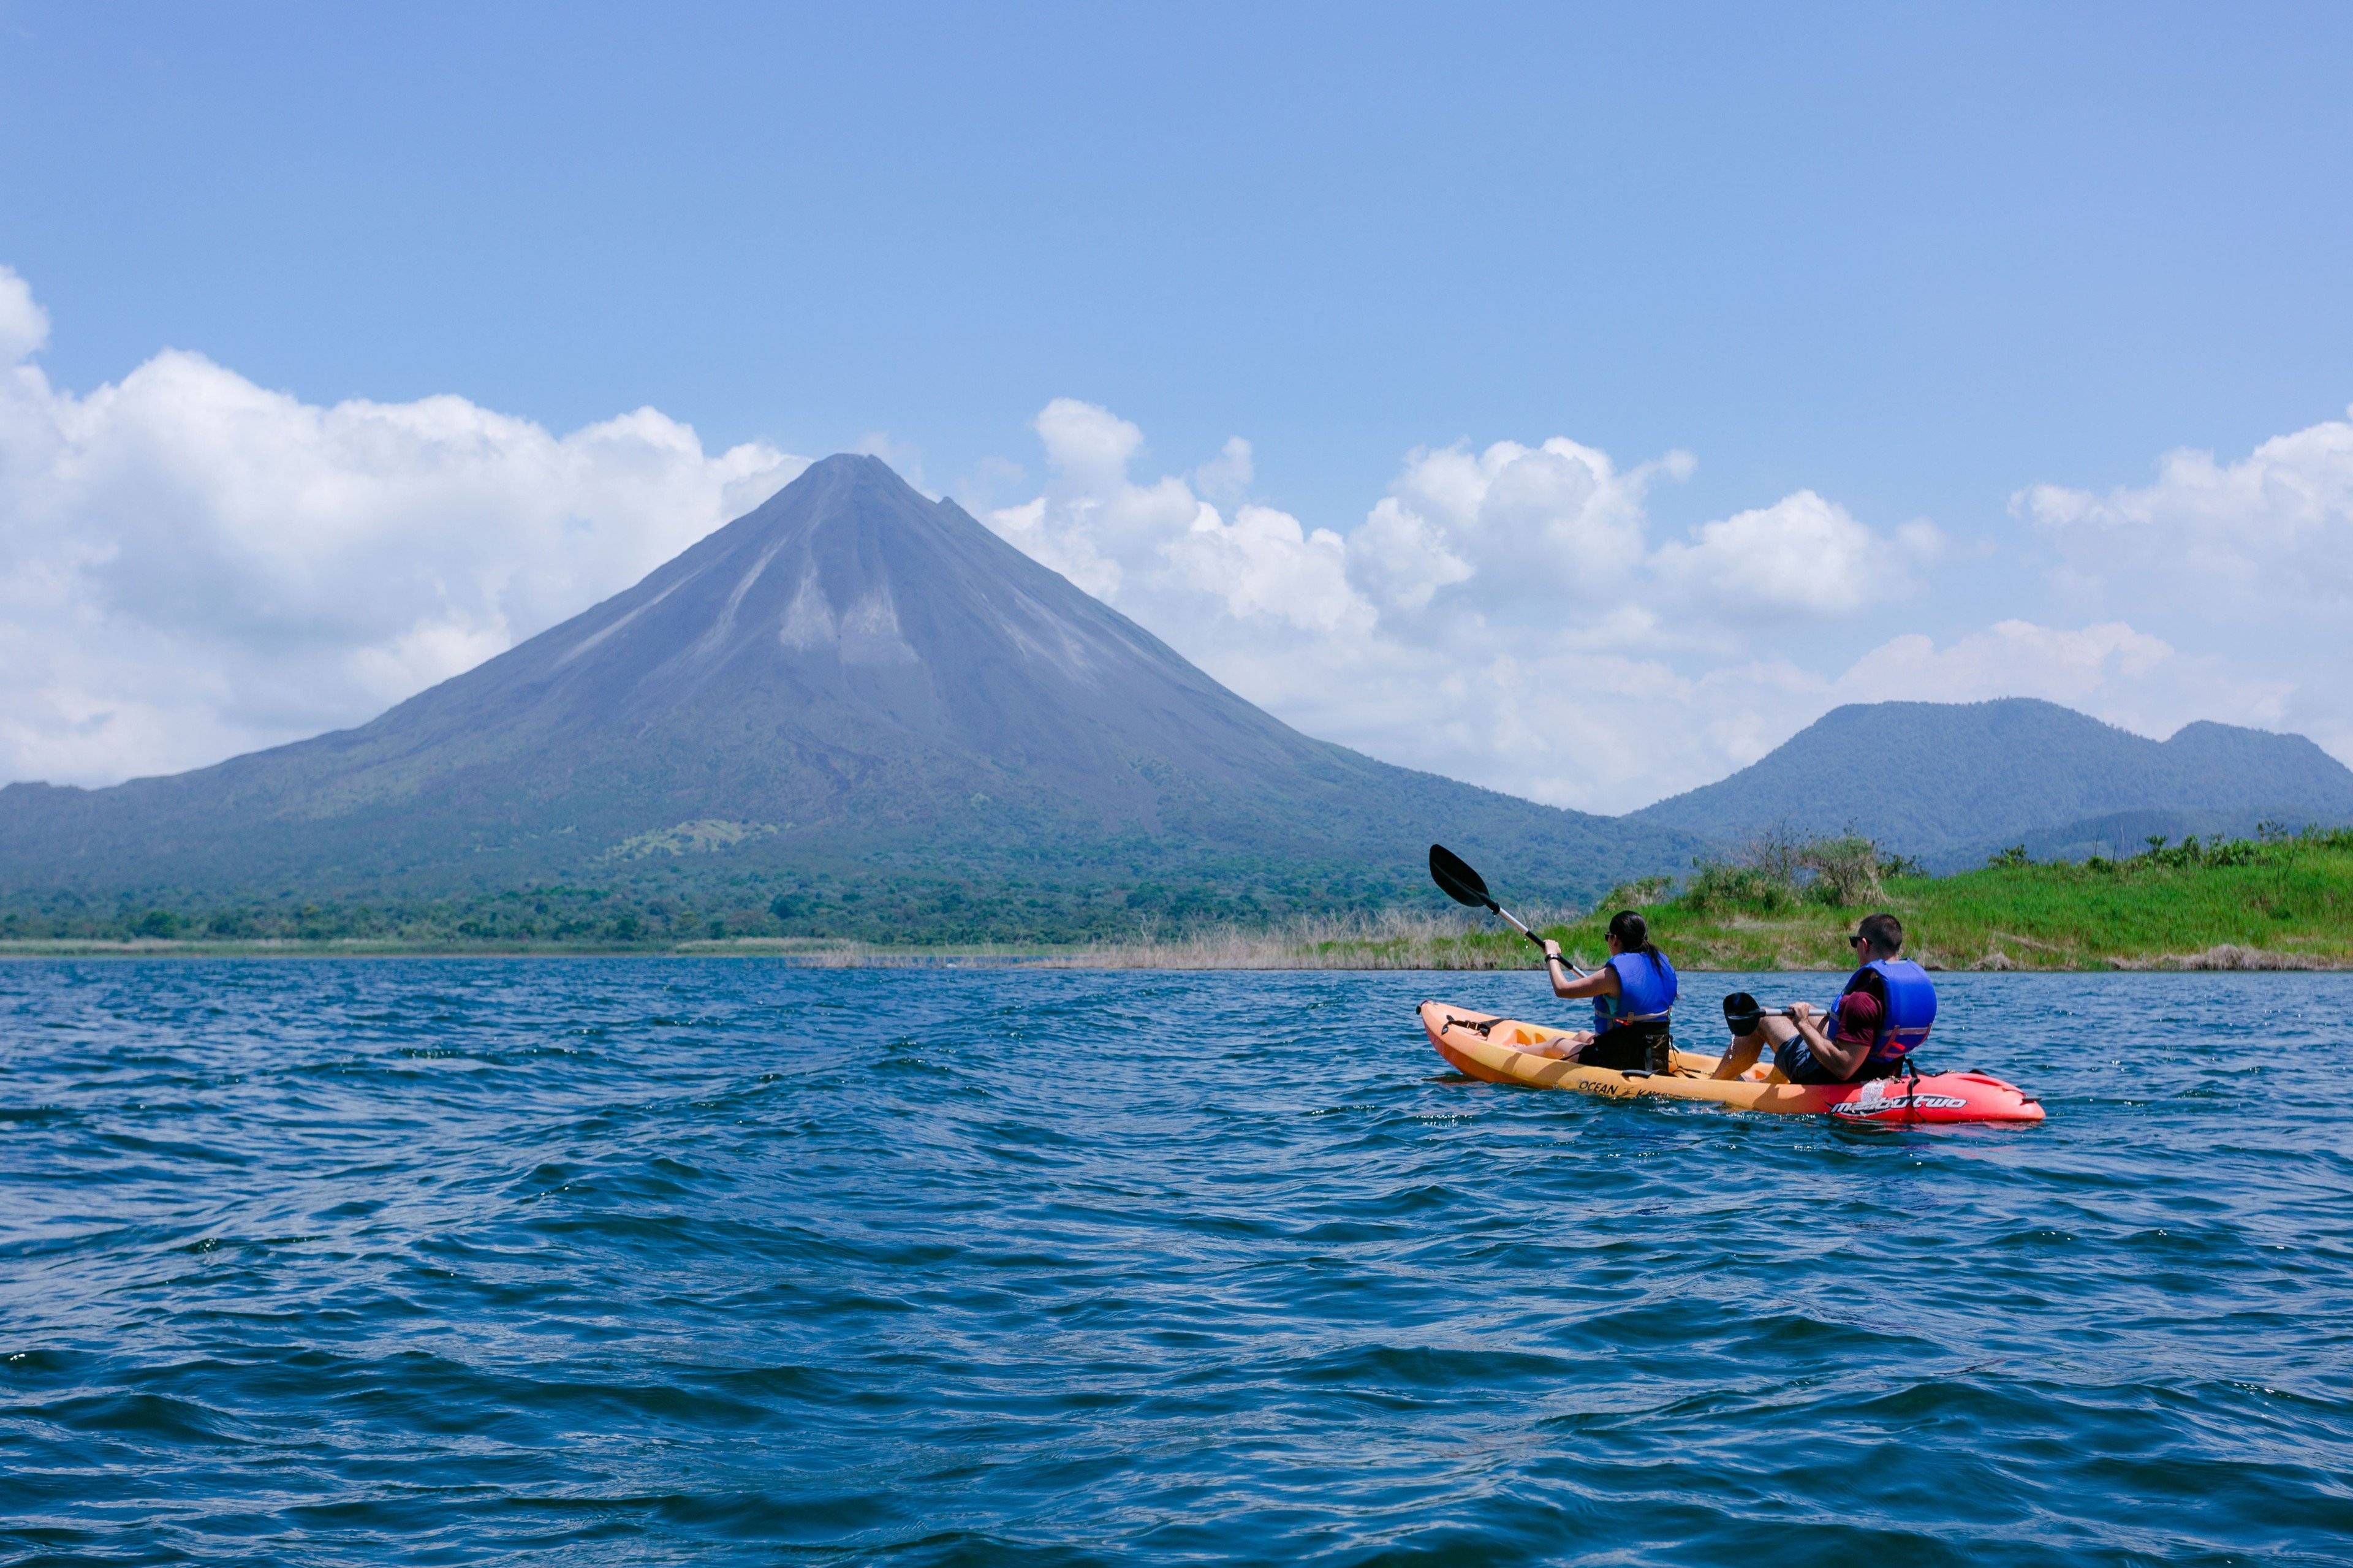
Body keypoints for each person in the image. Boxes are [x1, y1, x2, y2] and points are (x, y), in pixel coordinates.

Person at [1711, 912, 1936, 1085]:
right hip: (1883, 1070)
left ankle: (1715, 1085)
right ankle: (1772, 1082)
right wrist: (1804, 1019)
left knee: (1763, 1019)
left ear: (1864, 945)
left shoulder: (1863, 1000)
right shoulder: (1903, 990)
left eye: (1854, 942)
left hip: (1831, 1076)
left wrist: (1802, 1025)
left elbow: (1844, 1067)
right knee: (1803, 1014)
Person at [1531, 910, 1679, 1072]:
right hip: (1652, 1052)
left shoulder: (1612, 975)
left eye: (1607, 936)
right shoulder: (1660, 964)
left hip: (1619, 1058)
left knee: (1554, 1044)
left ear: (1615, 939)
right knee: (1582, 1036)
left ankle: (1515, 1051)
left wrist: (1552, 956)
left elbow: (1562, 989)